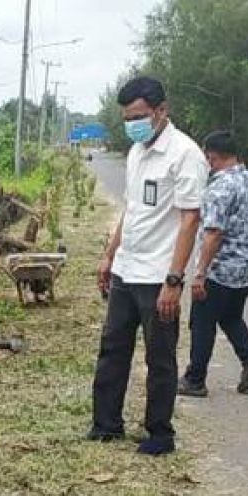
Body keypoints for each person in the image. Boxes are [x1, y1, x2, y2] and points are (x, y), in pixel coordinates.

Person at [89, 76, 207, 455]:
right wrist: (110, 254)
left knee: (159, 357)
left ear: (161, 111)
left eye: (139, 116)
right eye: (127, 117)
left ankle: (159, 433)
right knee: (113, 348)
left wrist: (174, 281)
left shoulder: (186, 155)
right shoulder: (138, 150)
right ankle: (106, 424)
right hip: (127, 268)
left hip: (159, 275)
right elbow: (133, 209)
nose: (132, 123)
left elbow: (190, 219)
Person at [178, 131, 248, 397]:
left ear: (211, 156)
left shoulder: (219, 187)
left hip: (221, 268)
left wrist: (200, 274)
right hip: (246, 266)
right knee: (230, 316)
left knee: (202, 321)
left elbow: (213, 233)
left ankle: (195, 379)